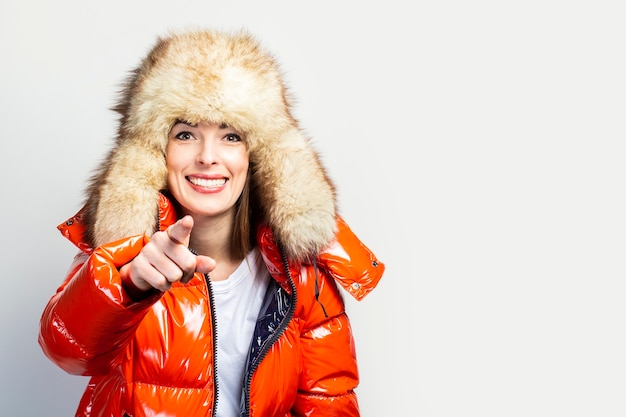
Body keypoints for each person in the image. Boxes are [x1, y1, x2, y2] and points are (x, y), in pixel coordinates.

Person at [38, 28, 385, 417]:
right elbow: (66, 349)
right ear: (156, 152)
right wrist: (131, 285)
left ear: (258, 155)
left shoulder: (300, 272)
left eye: (230, 136)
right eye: (186, 134)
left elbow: (329, 401)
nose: (207, 156)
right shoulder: (125, 254)